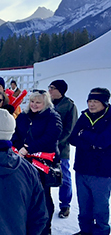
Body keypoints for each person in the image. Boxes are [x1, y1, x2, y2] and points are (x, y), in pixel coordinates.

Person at [12, 89, 62, 235]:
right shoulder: (23, 116)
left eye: (38, 102)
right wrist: (18, 146)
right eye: (32, 101)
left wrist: (29, 148)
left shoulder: (53, 117)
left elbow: (52, 136)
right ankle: (25, 225)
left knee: (43, 196)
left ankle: (45, 228)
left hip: (42, 162)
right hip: (23, 160)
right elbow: (15, 133)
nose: (34, 105)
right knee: (24, 195)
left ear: (45, 103)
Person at [69, 87, 111, 235]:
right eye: (90, 101)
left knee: (100, 206)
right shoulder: (84, 116)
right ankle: (85, 230)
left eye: (95, 101)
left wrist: (84, 135)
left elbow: (104, 141)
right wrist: (92, 142)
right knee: (84, 204)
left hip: (102, 171)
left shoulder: (109, 117)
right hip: (82, 167)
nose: (91, 105)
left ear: (104, 103)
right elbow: (73, 138)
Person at [48, 80, 78, 218]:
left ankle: (65, 204)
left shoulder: (69, 106)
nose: (49, 90)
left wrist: (58, 142)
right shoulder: (47, 103)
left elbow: (70, 129)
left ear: (60, 90)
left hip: (62, 149)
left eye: (52, 88)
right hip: (46, 148)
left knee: (64, 176)